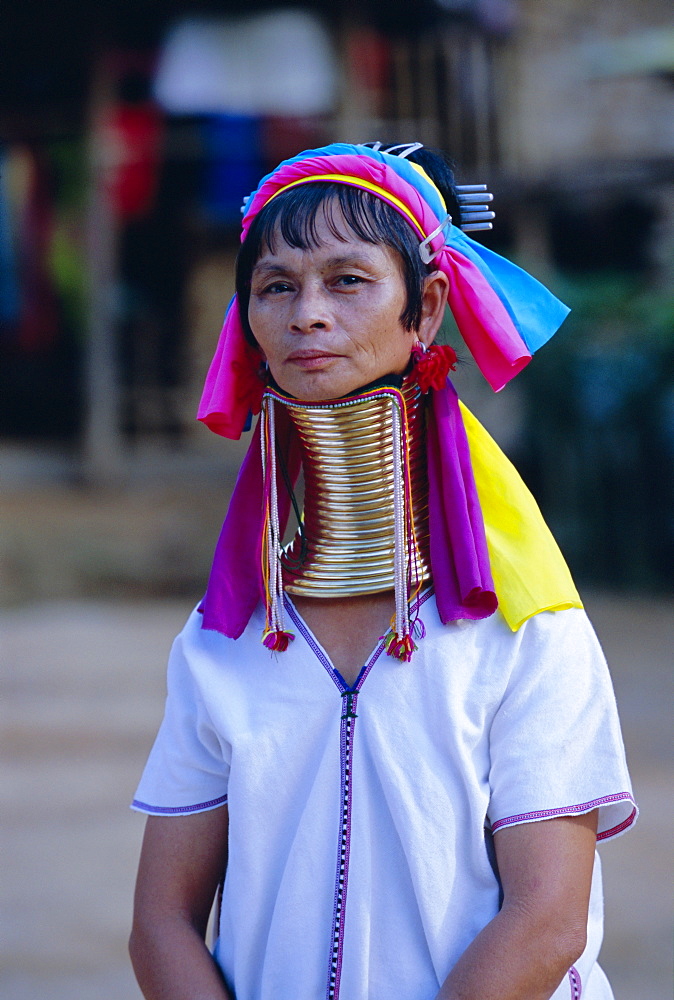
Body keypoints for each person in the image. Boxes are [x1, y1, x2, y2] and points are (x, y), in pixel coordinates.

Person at [129, 142, 636, 1000]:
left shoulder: (526, 629)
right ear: (247, 319)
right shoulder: (225, 639)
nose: (308, 315)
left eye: (348, 280)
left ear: (427, 308)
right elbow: (161, 925)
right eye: (277, 286)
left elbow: (547, 921)